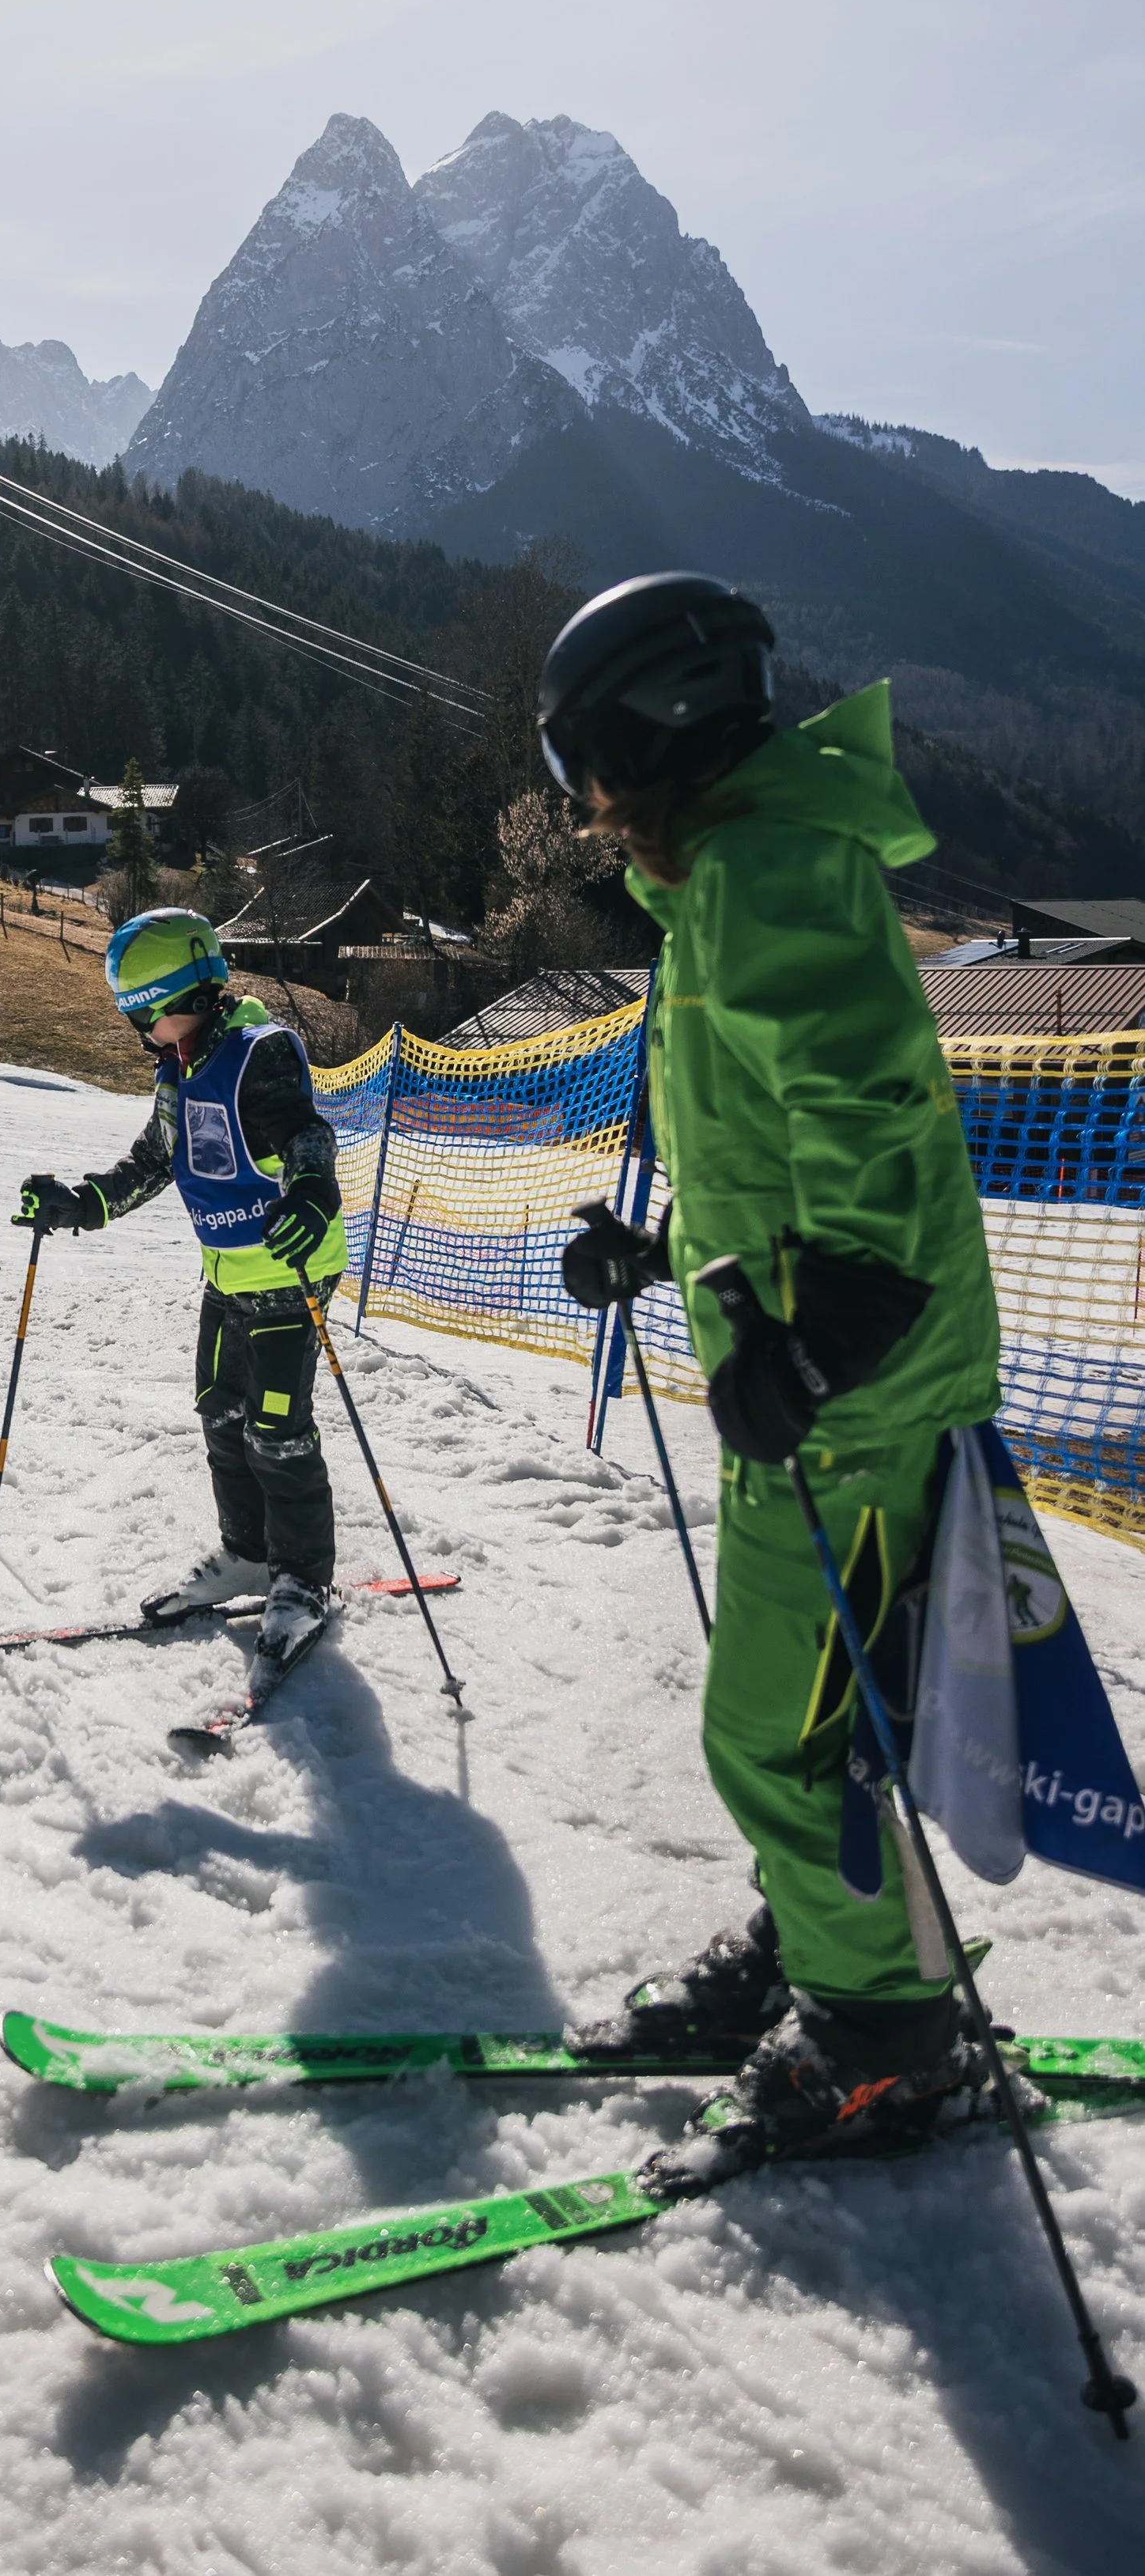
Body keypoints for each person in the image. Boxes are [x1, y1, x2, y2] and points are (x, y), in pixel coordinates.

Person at [542, 573, 1002, 2194]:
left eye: (573, 766)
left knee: (769, 1738)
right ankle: (823, 1926)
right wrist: (663, 1259)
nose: (580, 808)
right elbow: (788, 1146)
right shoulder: (743, 873)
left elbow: (867, 1110)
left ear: (630, 739)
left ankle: (883, 2039)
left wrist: (830, 1333)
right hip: (825, 1375)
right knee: (807, 1724)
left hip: (850, 1404)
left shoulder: (757, 874)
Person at [11, 908, 347, 1674]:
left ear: (180, 998)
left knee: (277, 1431)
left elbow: (306, 1135)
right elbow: (154, 1159)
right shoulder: (181, 1068)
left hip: (288, 1269)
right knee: (220, 1413)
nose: (139, 1032)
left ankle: (301, 1580)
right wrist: (81, 1203)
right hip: (228, 1273)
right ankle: (248, 1555)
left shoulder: (259, 1054)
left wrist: (311, 1190)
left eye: (143, 1016)